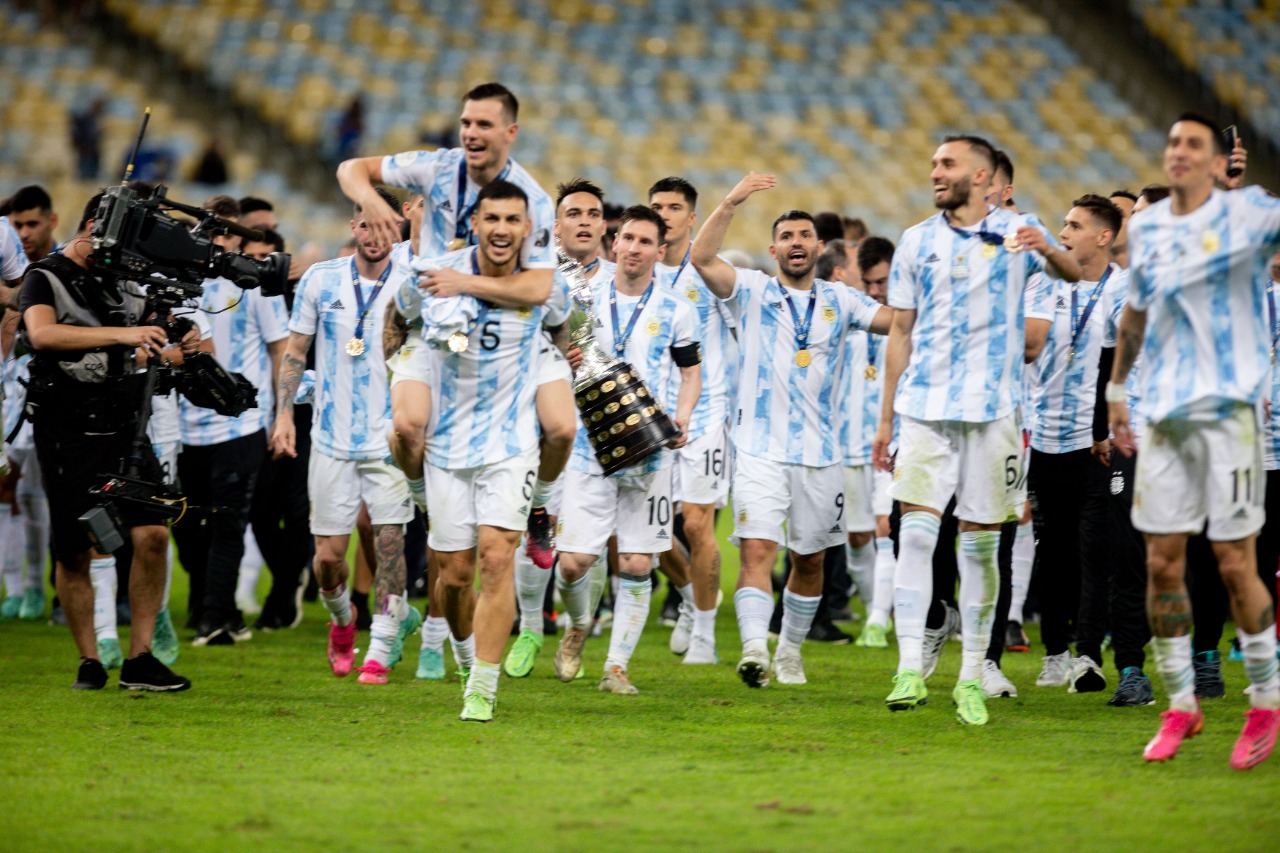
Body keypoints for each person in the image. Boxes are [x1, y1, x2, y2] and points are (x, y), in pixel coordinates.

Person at [873, 134, 1081, 726]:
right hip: (925, 408)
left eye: (948, 163)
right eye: (934, 161)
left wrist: (1047, 247)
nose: (935, 171)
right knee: (915, 534)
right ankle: (909, 666)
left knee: (982, 544)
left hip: (994, 411)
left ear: (984, 176)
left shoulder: (1019, 231)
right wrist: (886, 416)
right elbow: (901, 332)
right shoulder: (917, 240)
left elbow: (1071, 275)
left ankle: (972, 675)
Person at [1108, 113, 1280, 768]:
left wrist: (1240, 195)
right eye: (1172, 141)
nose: (1178, 151)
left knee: (1236, 562)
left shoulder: (1250, 215)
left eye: (1193, 145)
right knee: (1160, 563)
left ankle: (1265, 695)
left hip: (1231, 412)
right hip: (1164, 417)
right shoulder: (1148, 225)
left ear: (1218, 162)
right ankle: (1181, 703)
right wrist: (1117, 391)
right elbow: (1138, 308)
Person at [340, 82, 568, 577]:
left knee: (561, 427)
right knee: (405, 426)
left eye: (483, 124)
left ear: (510, 132)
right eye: (466, 122)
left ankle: (540, 505)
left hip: (505, 328)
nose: (470, 133)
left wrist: (460, 280)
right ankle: (424, 495)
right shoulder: (437, 167)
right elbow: (350, 167)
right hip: (433, 322)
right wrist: (370, 200)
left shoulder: (532, 200)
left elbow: (539, 288)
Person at [692, 173, 891, 688]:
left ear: (818, 247)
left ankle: (790, 651)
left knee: (810, 559)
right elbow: (702, 259)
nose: (796, 243)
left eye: (805, 236)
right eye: (787, 237)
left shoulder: (841, 300)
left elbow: (894, 322)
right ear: (773, 248)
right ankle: (756, 647)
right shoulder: (752, 290)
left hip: (821, 453)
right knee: (758, 549)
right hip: (758, 447)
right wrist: (732, 200)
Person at [390, 180, 556, 721]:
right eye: (493, 219)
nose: (503, 230)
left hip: (510, 443)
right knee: (454, 575)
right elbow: (399, 316)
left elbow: (572, 330)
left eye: (513, 220)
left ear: (527, 227)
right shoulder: (437, 272)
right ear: (476, 224)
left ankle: (483, 688)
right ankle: (465, 656)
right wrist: (401, 367)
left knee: (495, 559)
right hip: (447, 443)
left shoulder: (545, 283)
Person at [18, 191, 191, 690]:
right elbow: (44, 335)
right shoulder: (43, 277)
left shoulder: (128, 277)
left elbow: (157, 331)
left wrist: (180, 335)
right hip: (65, 427)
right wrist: (126, 335)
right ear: (95, 225)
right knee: (74, 549)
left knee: (153, 533)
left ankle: (139, 658)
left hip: (124, 421)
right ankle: (89, 659)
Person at [553, 205, 701, 694]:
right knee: (574, 563)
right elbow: (557, 355)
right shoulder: (581, 298)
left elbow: (689, 372)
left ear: (660, 251)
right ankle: (577, 625)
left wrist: (682, 417)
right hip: (588, 447)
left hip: (649, 450)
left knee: (637, 562)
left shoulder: (678, 309)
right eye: (628, 239)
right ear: (614, 243)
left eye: (645, 242)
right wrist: (564, 354)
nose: (634, 248)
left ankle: (616, 667)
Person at [271, 190, 417, 683]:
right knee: (329, 559)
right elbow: (295, 352)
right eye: (367, 225)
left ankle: (379, 648)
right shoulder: (321, 279)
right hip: (331, 437)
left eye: (385, 227)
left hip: (389, 438)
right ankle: (341, 621)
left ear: (396, 231)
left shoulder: (413, 284)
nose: (375, 236)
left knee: (389, 544)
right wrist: (285, 415)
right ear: (355, 227)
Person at [504, 177, 610, 679]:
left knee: (581, 556)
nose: (584, 220)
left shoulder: (624, 275)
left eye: (592, 213)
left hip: (605, 428)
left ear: (605, 224)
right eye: (574, 213)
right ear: (555, 224)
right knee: (535, 528)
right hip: (542, 422)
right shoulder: (535, 277)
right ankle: (528, 628)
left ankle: (579, 625)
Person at [173, 195, 289, 645]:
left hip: (240, 424)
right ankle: (212, 605)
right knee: (188, 526)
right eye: (209, 231)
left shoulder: (253, 282)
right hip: (185, 427)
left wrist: (282, 414)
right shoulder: (176, 280)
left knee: (228, 521)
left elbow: (281, 349)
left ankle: (215, 616)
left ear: (237, 235)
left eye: (225, 232)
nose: (217, 239)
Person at [1023, 194, 1126, 694]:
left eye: (1075, 225)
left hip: (1095, 444)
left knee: (1094, 549)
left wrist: (1104, 427)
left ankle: (1088, 655)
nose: (1063, 231)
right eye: (1062, 224)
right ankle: (1055, 652)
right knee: (1054, 551)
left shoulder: (1122, 288)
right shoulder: (1042, 285)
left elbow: (1125, 351)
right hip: (1044, 437)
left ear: (1103, 237)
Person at [650, 176, 735, 664]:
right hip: (645, 418)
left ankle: (703, 634)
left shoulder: (709, 272)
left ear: (691, 218)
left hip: (704, 415)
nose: (664, 214)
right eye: (657, 205)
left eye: (675, 207)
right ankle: (687, 593)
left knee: (696, 523)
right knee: (648, 534)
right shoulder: (634, 268)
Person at [5, 185, 59, 263]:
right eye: (18, 225)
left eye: (32, 224)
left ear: (52, 221)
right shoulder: (6, 267)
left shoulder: (72, 264)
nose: (23, 234)